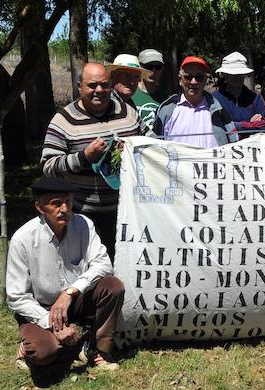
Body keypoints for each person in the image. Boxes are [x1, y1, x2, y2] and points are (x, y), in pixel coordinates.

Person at [7, 177, 124, 373]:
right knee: (43, 354)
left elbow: (103, 264)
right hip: (41, 309)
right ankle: (30, 346)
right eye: (56, 203)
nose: (65, 209)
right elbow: (17, 296)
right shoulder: (22, 239)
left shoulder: (84, 225)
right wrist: (51, 323)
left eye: (68, 202)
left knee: (113, 286)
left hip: (75, 300)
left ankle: (96, 348)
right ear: (40, 207)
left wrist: (70, 292)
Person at [42, 62, 146, 260]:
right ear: (79, 86)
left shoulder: (127, 112)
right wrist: (84, 157)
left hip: (126, 212)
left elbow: (151, 143)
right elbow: (48, 166)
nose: (99, 90)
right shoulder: (63, 120)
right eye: (92, 85)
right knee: (89, 268)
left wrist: (134, 149)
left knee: (123, 268)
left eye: (104, 85)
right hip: (83, 214)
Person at [152, 56, 238, 147]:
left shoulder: (219, 110)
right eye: (188, 77)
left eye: (199, 77)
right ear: (180, 80)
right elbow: (156, 149)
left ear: (205, 80)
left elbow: (234, 142)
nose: (193, 82)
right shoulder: (166, 111)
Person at [211, 51, 265, 134]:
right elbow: (216, 126)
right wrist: (249, 124)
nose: (237, 77)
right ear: (224, 75)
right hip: (224, 145)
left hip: (252, 144)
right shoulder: (214, 99)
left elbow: (264, 123)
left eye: (240, 73)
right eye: (232, 74)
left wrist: (234, 125)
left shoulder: (255, 98)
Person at [132, 48, 168, 129]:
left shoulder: (166, 97)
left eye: (158, 67)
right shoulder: (131, 93)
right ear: (140, 67)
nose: (153, 71)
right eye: (149, 67)